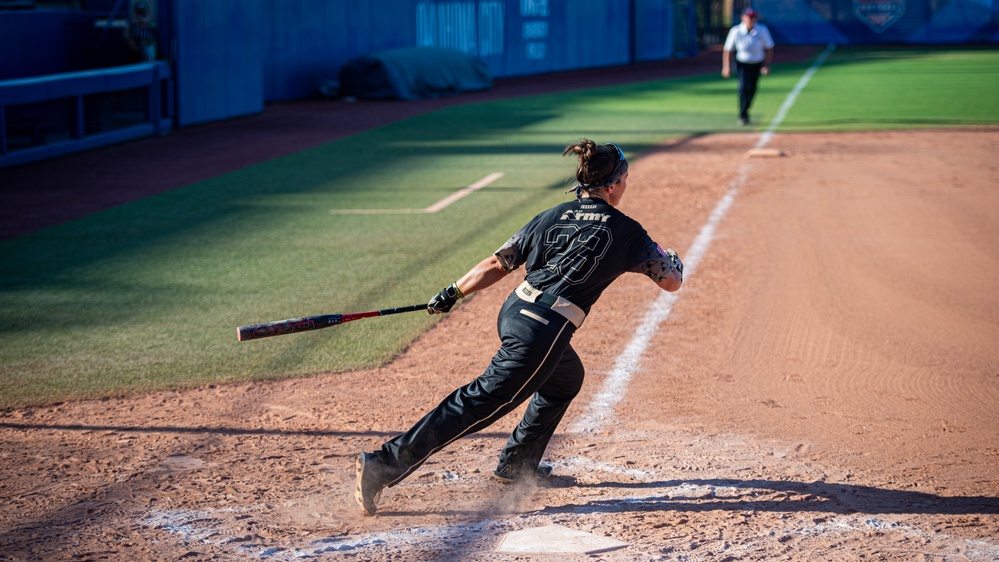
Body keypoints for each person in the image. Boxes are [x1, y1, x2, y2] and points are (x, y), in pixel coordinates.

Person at [354, 139, 684, 516]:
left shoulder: (553, 214)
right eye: (624, 179)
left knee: (565, 379)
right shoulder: (628, 230)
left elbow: (498, 264)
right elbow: (670, 281)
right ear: (611, 186)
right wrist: (672, 259)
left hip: (516, 309)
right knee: (479, 403)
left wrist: (453, 291)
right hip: (544, 328)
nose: (625, 186)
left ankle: (517, 464)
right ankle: (383, 465)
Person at [721, 8, 775, 126]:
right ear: (743, 18)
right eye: (749, 17)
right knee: (743, 87)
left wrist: (766, 64)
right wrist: (727, 66)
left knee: (752, 89)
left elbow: (769, 47)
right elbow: (728, 50)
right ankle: (743, 114)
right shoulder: (736, 31)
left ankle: (746, 110)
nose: (751, 19)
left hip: (757, 63)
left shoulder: (762, 30)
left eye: (753, 17)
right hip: (742, 64)